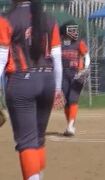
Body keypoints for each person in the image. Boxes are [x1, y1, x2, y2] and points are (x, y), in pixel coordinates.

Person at [0, 0, 64, 179]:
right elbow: (57, 59)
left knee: (26, 142)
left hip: (22, 81)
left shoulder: (8, 19)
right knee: (38, 139)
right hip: (47, 80)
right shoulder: (49, 19)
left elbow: (1, 58)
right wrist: (58, 88)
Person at [60, 20, 90, 136]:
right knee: (67, 102)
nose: (74, 32)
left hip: (76, 74)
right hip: (63, 74)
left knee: (73, 98)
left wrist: (85, 69)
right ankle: (70, 124)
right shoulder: (60, 44)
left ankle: (70, 125)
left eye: (75, 29)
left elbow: (86, 56)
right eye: (71, 30)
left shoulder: (79, 43)